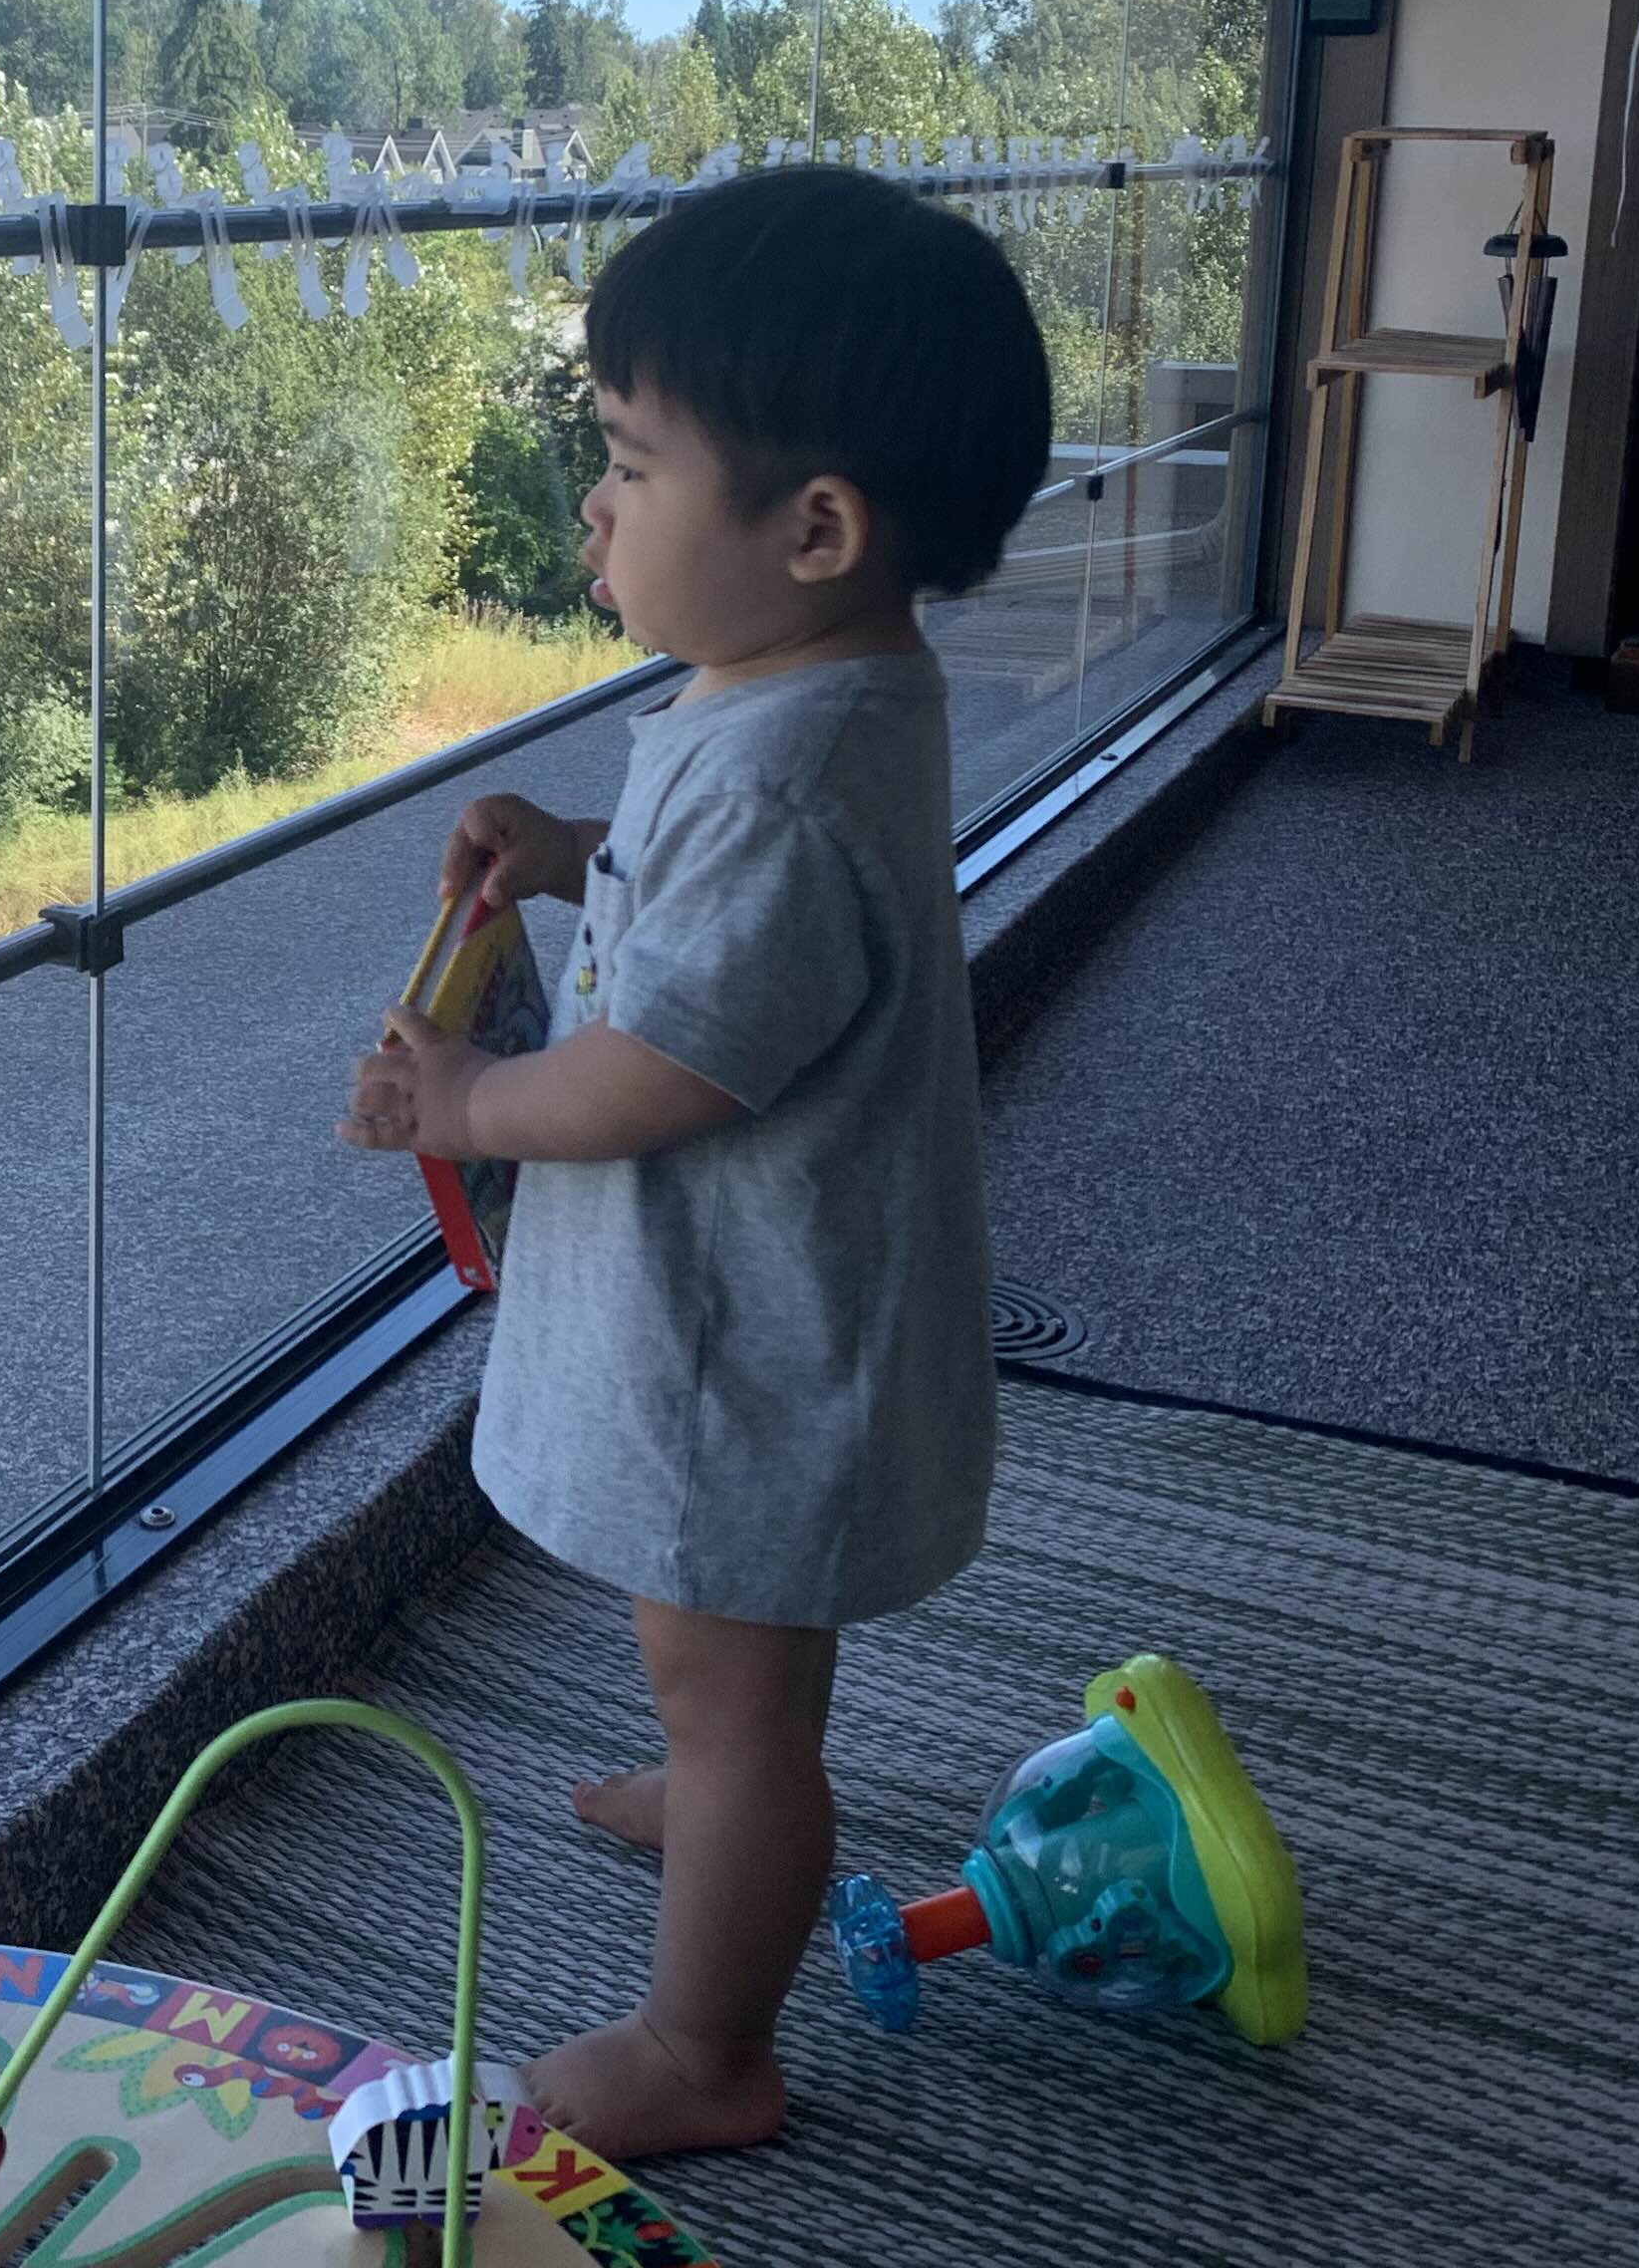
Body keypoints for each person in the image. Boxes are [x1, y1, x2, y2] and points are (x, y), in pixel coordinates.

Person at [336, 163, 1051, 2164]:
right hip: (776, 1304)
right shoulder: (801, 687)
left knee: (735, 1684)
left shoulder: (789, 770)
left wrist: (466, 1104)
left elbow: (670, 1065)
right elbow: (726, 927)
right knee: (712, 1645)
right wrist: (579, 851)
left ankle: (706, 2039)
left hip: (757, 1333)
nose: (595, 507)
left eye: (636, 465)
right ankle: (723, 1780)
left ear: (813, 530)